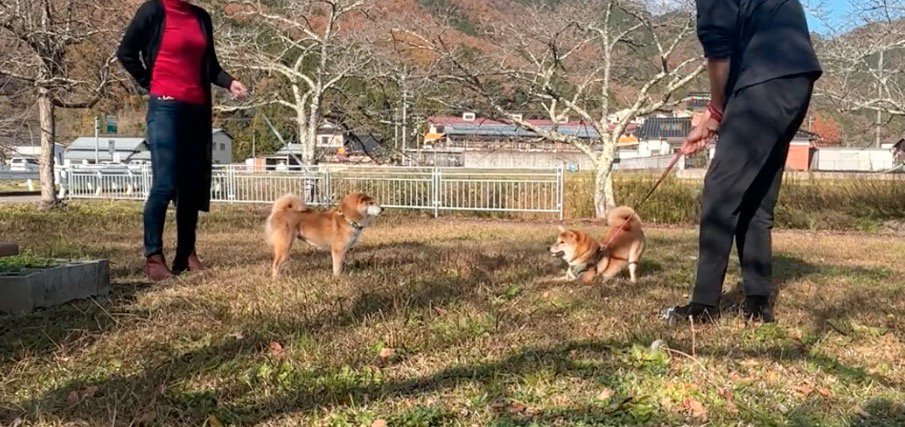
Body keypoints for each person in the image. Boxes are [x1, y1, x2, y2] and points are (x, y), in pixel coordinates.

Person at [663, 0, 821, 323]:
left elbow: (719, 48)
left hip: (766, 79)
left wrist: (718, 110)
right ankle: (757, 303)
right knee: (755, 195)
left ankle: (703, 306)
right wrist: (713, 118)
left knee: (720, 189)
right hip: (796, 77)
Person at [117, 0, 248, 281]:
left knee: (191, 185)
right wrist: (148, 81)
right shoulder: (154, 11)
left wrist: (229, 81)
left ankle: (185, 255)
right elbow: (126, 52)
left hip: (198, 109)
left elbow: (210, 65)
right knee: (165, 183)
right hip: (166, 107)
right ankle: (154, 258)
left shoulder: (201, 17)